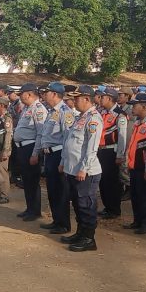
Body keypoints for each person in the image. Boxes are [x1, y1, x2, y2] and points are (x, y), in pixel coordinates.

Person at [59, 85, 104, 252]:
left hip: (86, 171)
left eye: (77, 98)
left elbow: (92, 147)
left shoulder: (94, 118)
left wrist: (83, 168)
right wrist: (64, 162)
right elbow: (70, 141)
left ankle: (88, 238)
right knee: (77, 204)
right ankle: (80, 233)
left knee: (86, 204)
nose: (74, 101)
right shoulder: (80, 117)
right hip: (73, 168)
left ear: (87, 99)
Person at [38, 82, 75, 235]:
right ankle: (56, 220)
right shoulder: (52, 111)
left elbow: (68, 138)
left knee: (60, 191)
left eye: (47, 92)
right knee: (52, 190)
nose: (44, 95)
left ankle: (64, 224)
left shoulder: (65, 112)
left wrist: (63, 160)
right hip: (49, 154)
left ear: (54, 94)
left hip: (58, 154)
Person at [123, 93, 146, 235]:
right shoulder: (139, 123)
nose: (132, 107)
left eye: (135, 105)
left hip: (145, 167)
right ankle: (137, 220)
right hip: (135, 166)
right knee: (136, 195)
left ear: (144, 106)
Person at [13, 83, 46, 221]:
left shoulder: (39, 109)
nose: (20, 96)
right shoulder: (27, 108)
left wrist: (35, 153)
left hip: (30, 148)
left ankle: (35, 211)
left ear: (29, 94)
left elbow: (40, 133)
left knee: (32, 180)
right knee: (26, 180)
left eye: (21, 93)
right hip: (21, 148)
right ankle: (29, 208)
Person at [97, 87, 128, 219]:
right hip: (101, 150)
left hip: (111, 151)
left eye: (102, 97)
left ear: (109, 98)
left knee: (111, 181)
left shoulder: (119, 115)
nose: (100, 99)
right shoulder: (102, 112)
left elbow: (122, 136)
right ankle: (107, 206)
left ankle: (114, 209)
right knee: (102, 181)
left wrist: (120, 155)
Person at [0, 97, 13, 204]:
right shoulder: (0, 117)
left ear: (2, 106)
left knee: (2, 172)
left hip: (3, 149)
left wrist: (6, 151)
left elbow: (8, 135)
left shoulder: (6, 118)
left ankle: (4, 195)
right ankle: (1, 193)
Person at [117, 87, 135, 201]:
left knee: (125, 168)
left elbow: (130, 128)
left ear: (127, 96)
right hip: (121, 141)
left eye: (121, 95)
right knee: (121, 168)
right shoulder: (121, 108)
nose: (118, 97)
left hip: (128, 140)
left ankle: (130, 189)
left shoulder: (131, 109)